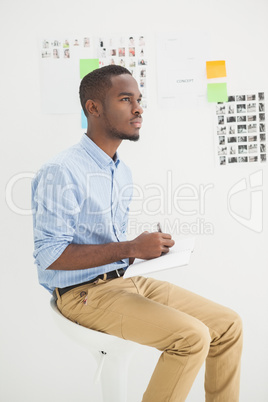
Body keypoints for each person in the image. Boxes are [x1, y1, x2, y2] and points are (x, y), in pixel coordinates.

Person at [32, 65, 243, 402]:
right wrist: (129, 246)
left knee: (228, 325)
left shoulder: (121, 170)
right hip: (82, 294)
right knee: (191, 337)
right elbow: (49, 255)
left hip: (126, 280)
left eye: (139, 100)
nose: (138, 108)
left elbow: (107, 244)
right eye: (126, 99)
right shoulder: (62, 170)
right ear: (94, 108)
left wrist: (140, 251)